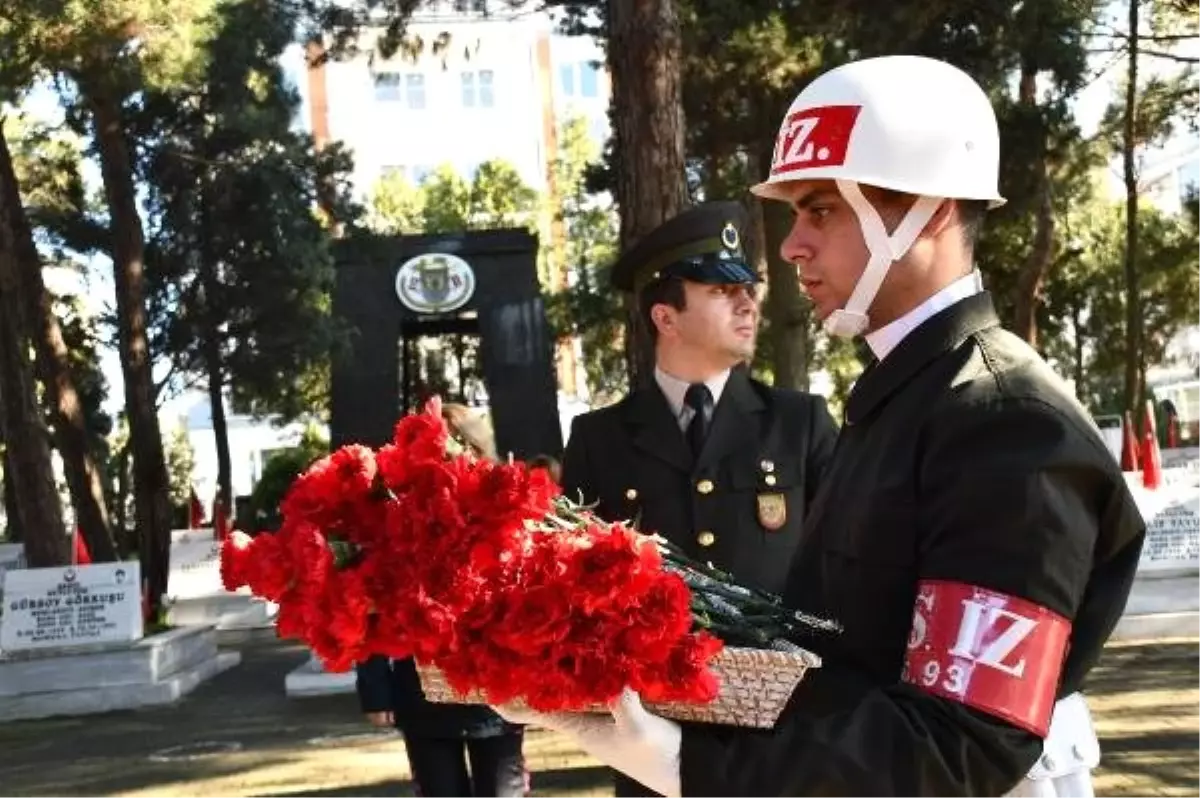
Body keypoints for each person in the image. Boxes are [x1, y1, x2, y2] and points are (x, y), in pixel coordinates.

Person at [494, 55, 1146, 798]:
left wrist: (689, 765)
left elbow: (960, 743)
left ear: (929, 211)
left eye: (823, 209)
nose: (792, 243)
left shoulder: (1006, 422)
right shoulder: (912, 398)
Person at [558, 200, 839, 798]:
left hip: (784, 727)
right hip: (654, 733)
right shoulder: (600, 438)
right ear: (666, 316)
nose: (748, 303)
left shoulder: (801, 424)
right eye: (719, 289)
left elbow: (850, 560)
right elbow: (576, 589)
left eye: (749, 289)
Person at [357, 655, 527, 798]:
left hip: (497, 689)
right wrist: (375, 691)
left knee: (502, 791)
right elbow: (370, 619)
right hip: (422, 694)